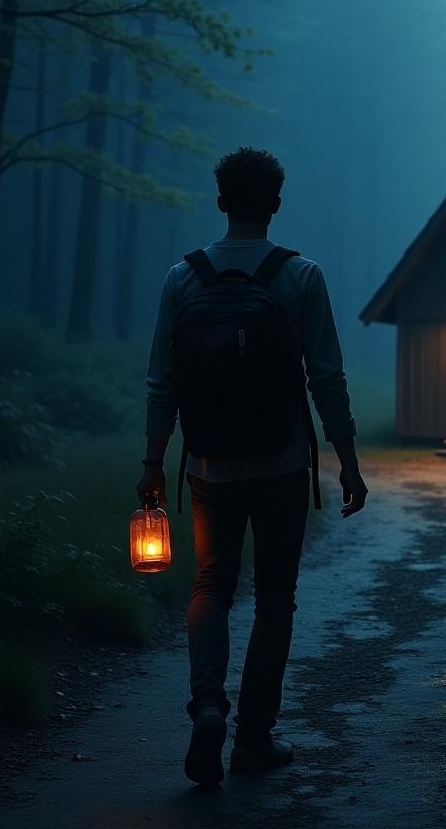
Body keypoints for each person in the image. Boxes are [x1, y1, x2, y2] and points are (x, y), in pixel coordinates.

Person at [134, 146, 368, 787]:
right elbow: (327, 378)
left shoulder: (183, 278)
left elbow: (163, 382)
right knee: (274, 599)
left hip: (209, 467)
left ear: (220, 202)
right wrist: (346, 460)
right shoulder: (301, 276)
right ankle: (255, 737)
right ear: (275, 204)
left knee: (211, 585)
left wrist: (155, 462)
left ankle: (207, 706)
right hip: (283, 465)